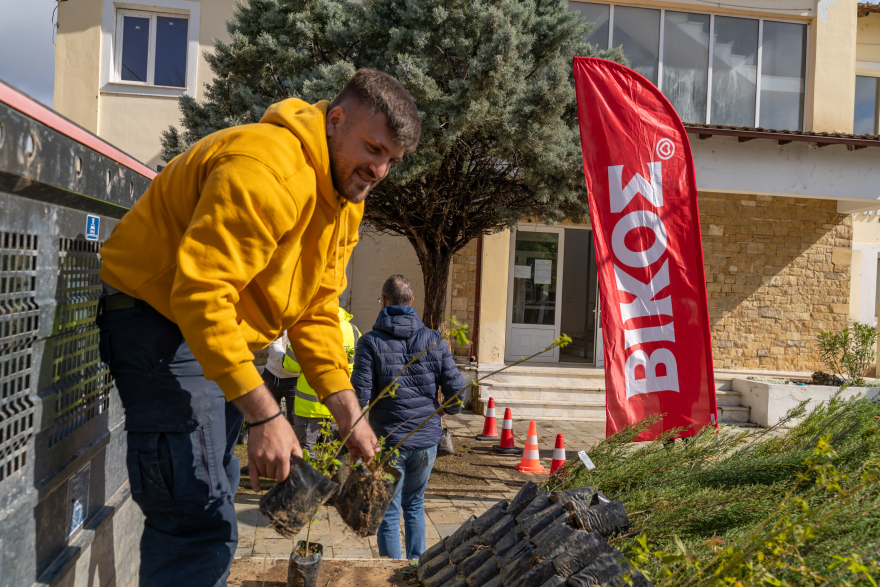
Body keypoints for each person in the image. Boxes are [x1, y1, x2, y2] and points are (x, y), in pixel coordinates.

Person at [95, 69, 421, 586]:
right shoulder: (265, 169)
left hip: (211, 336)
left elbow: (315, 308)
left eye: (390, 161)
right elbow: (200, 295)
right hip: (157, 322)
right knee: (196, 516)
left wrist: (347, 411)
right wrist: (266, 416)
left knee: (215, 489)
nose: (379, 170)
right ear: (335, 121)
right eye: (373, 148)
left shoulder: (343, 202)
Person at [350, 274, 465, 560]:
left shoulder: (370, 342)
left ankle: (391, 574)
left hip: (388, 440)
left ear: (384, 302)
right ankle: (416, 569)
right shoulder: (434, 340)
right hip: (425, 440)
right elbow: (455, 395)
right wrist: (448, 410)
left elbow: (359, 398)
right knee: (414, 504)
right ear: (411, 302)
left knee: (388, 510)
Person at [282, 307, 361, 454]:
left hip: (309, 406)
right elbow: (358, 365)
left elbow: (290, 365)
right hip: (338, 404)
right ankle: (333, 478)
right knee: (335, 453)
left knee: (306, 451)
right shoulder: (353, 330)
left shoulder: (306, 328)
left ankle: (306, 478)